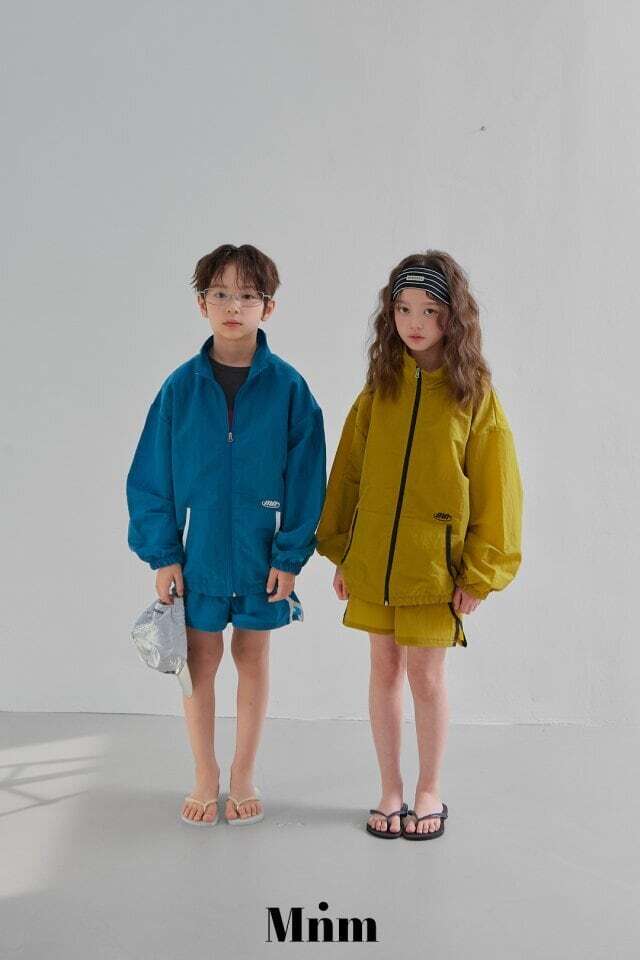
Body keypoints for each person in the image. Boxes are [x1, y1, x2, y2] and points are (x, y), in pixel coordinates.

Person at [316, 251, 523, 840]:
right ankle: (390, 789)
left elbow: (498, 489)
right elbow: (348, 473)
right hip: (374, 562)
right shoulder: (377, 389)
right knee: (383, 669)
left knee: (425, 677)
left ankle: (429, 789)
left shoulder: (473, 394)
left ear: (453, 317)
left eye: (429, 310)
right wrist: (343, 551)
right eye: (404, 308)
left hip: (435, 568)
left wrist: (480, 574)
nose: (415, 322)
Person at [127, 244, 326, 826]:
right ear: (201, 304)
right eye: (220, 294)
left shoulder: (290, 389)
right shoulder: (180, 389)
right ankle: (204, 773)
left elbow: (308, 480)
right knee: (201, 658)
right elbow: (151, 477)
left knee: (252, 656)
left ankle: (243, 772)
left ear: (269, 306)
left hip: (264, 554)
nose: (233, 306)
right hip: (200, 553)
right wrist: (164, 554)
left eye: (246, 295)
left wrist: (290, 555)